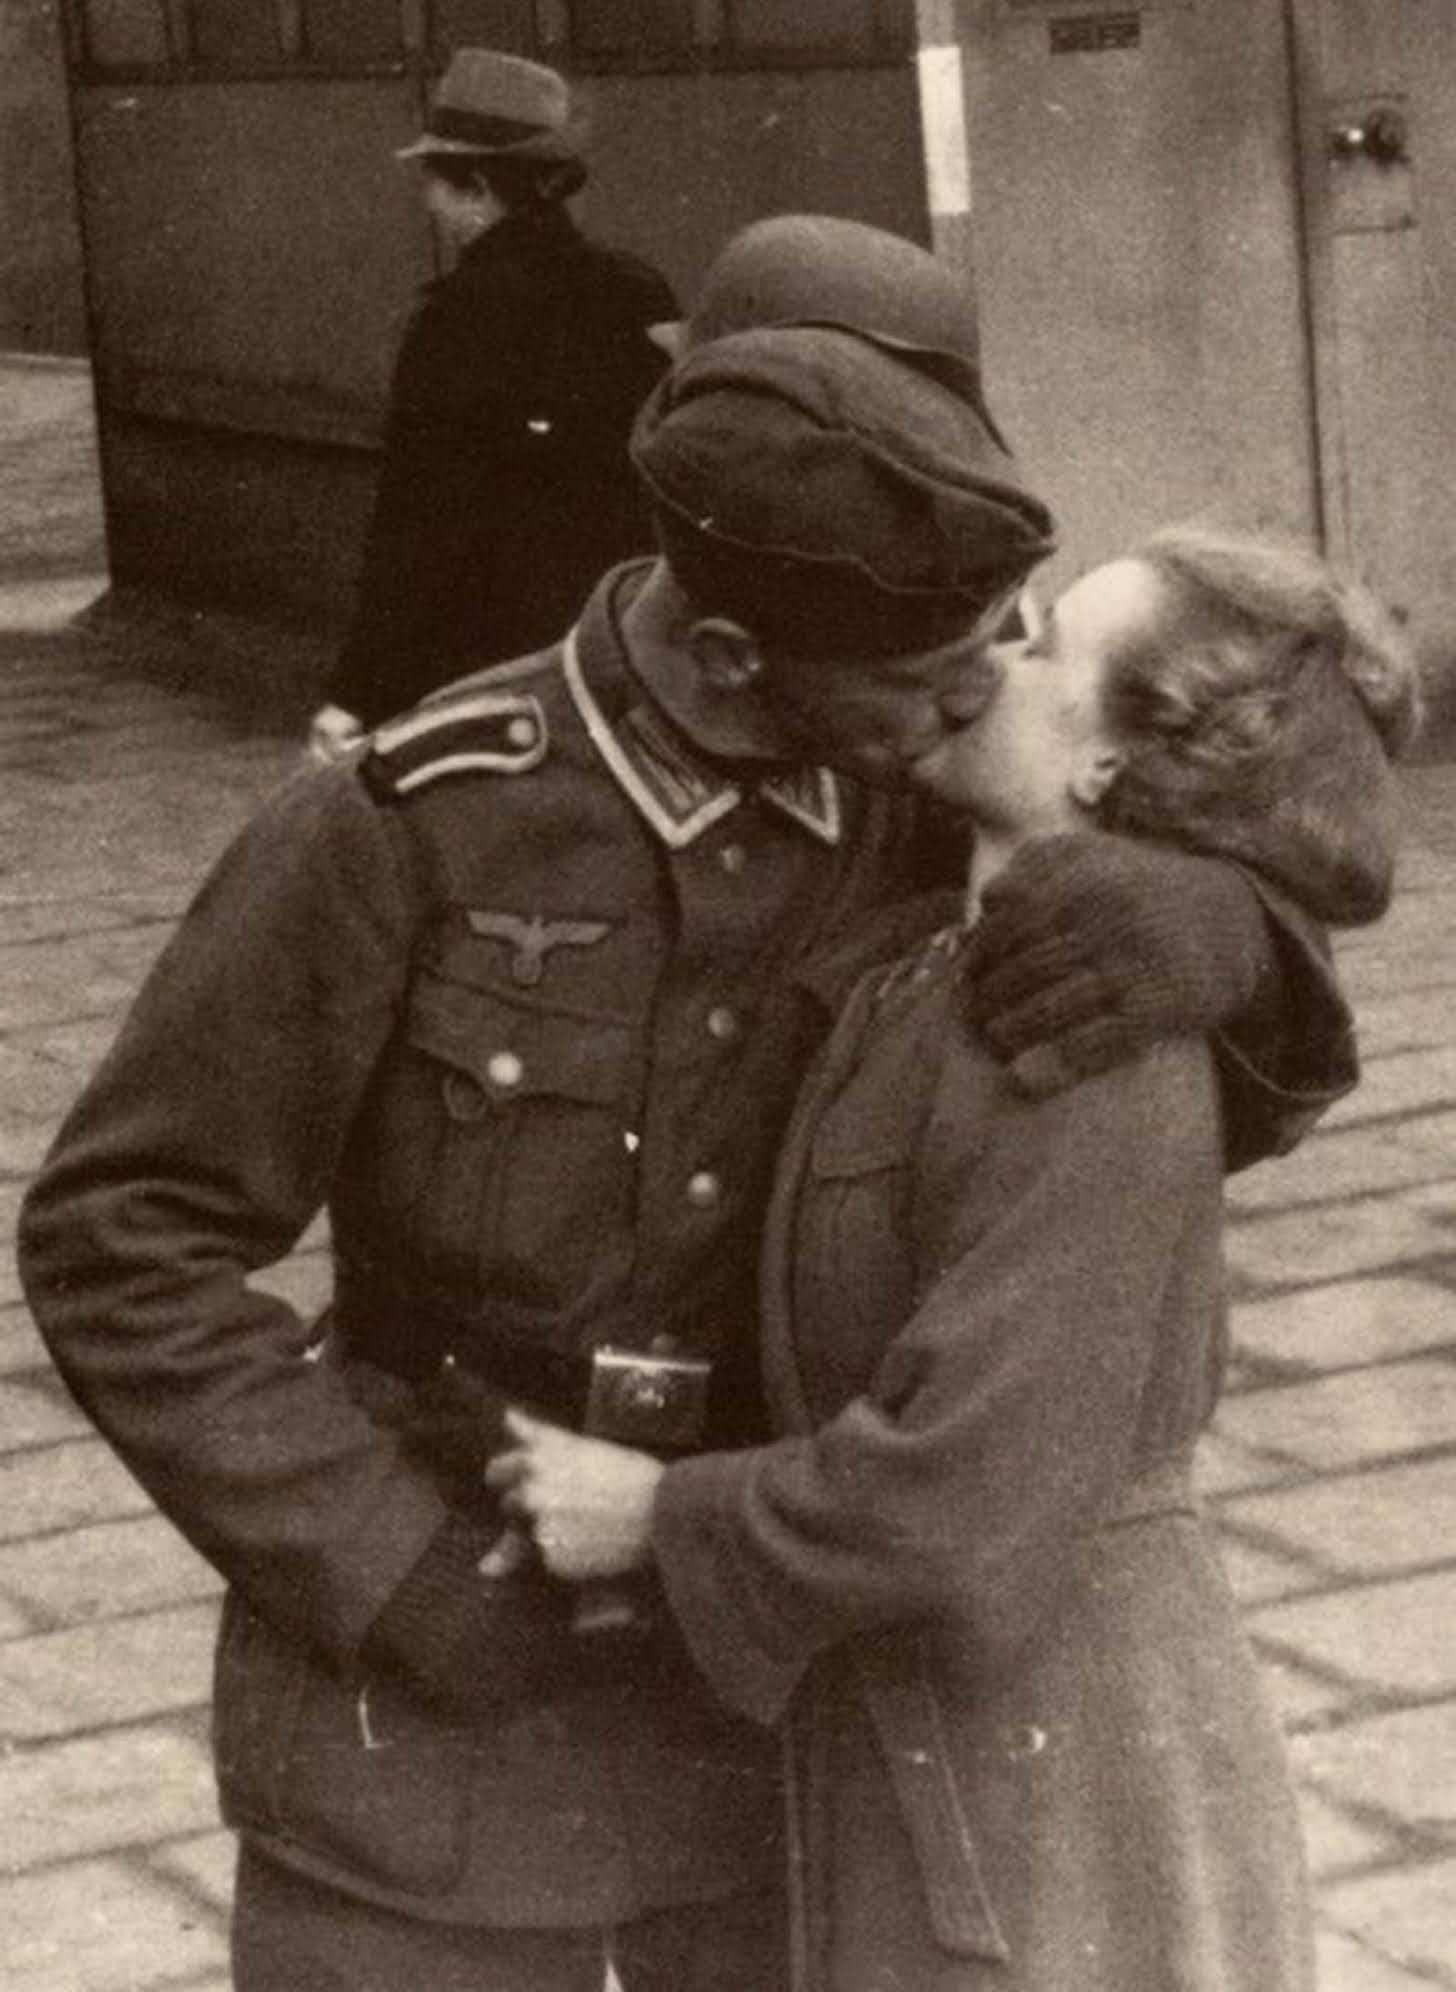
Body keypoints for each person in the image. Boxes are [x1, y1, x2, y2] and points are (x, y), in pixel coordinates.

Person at [19, 218, 1366, 1992]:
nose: (975, 694)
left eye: (995, 645)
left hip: (774, 1751)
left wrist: (1233, 931)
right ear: (733, 656)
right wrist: (394, 1567)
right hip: (424, 1747)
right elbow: (121, 1238)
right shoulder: (411, 827)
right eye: (927, 676)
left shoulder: (904, 799)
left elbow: (1174, 1039)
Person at [487, 527, 1419, 1992]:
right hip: (943, 1726)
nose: (985, 657)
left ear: (1111, 766)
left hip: (1061, 1767)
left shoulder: (1092, 1038)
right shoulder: (954, 952)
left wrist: (657, 1516)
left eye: (1040, 645)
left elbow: (973, 1476)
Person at [309, 48, 679, 761]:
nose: (431, 204)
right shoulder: (638, 291)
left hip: (493, 664)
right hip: (620, 646)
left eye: (436, 185)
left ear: (478, 188)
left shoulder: (455, 321)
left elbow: (421, 524)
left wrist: (357, 691)